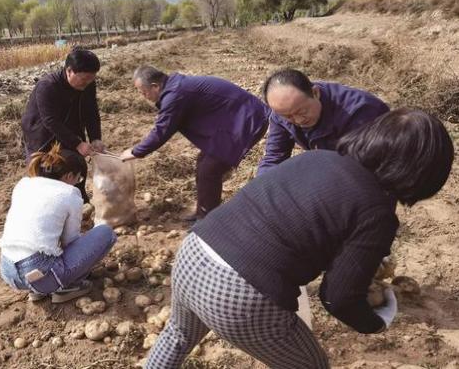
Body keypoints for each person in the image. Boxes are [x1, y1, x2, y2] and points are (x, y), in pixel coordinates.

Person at [146, 109, 454, 368]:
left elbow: (306, 224)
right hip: (237, 293)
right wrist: (377, 320)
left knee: (178, 335)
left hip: (194, 253)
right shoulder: (378, 213)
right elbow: (339, 297)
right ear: (422, 174)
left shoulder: (317, 159)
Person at [120, 66, 271, 221]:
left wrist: (135, 151)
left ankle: (207, 219)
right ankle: (203, 212)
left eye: (143, 91)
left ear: (155, 86)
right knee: (203, 164)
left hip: (247, 120)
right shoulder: (174, 88)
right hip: (233, 120)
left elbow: (162, 131)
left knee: (210, 169)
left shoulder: (175, 94)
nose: (142, 96)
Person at [0, 143, 117, 303]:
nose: (77, 182)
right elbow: (70, 240)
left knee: (43, 246)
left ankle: (37, 290)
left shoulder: (24, 184)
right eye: (78, 178)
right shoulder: (69, 193)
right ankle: (66, 287)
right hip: (41, 273)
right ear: (69, 176)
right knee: (106, 233)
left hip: (8, 272)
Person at [257, 68, 390, 176]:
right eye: (288, 116)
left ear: (316, 93)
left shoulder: (360, 112)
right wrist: (262, 188)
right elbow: (274, 157)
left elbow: (364, 169)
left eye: (302, 112)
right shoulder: (282, 111)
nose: (298, 120)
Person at [22, 48, 105, 202]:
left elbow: (91, 112)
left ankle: (79, 201)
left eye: (91, 79)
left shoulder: (88, 85)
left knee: (76, 164)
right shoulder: (47, 86)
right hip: (42, 135)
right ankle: (49, 207)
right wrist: (77, 143)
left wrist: (95, 138)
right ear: (69, 71)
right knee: (46, 174)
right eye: (84, 78)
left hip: (69, 128)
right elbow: (50, 120)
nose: (87, 83)